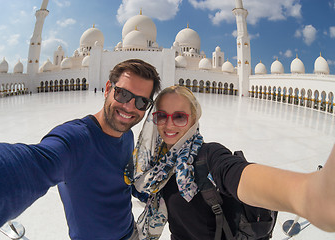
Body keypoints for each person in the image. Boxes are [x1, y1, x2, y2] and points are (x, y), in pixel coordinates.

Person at [0, 59, 161, 239]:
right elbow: (33, 165)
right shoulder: (74, 140)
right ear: (107, 89)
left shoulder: (126, 135)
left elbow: (121, 180)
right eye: (123, 94)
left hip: (131, 233)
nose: (129, 106)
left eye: (141, 102)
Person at [129, 85, 335, 239]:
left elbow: (237, 174)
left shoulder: (209, 155)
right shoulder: (156, 166)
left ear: (193, 119)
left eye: (180, 117)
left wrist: (308, 195)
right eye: (161, 116)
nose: (169, 124)